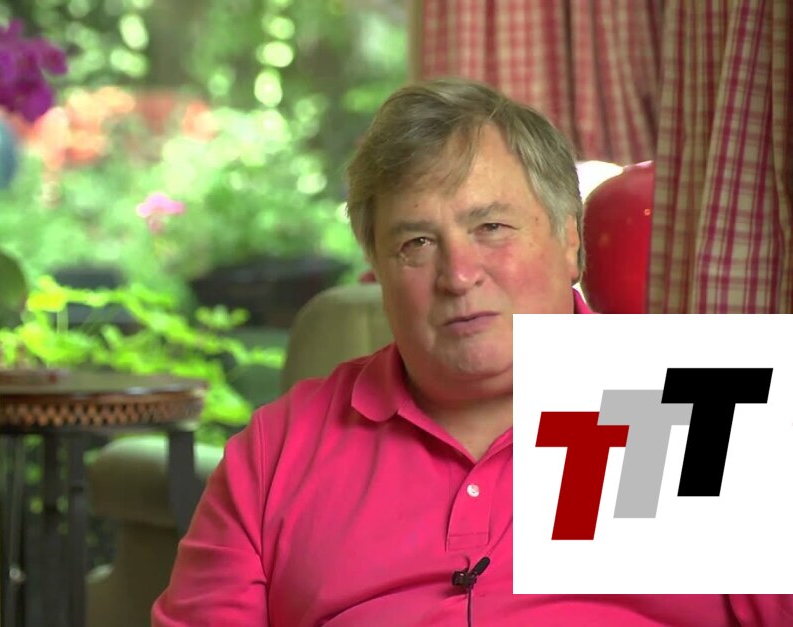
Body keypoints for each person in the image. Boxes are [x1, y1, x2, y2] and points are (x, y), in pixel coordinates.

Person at [151, 77, 793, 626]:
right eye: (416, 243)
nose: (458, 275)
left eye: (491, 227)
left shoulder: (698, 402)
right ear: (378, 270)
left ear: (569, 240)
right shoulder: (280, 449)